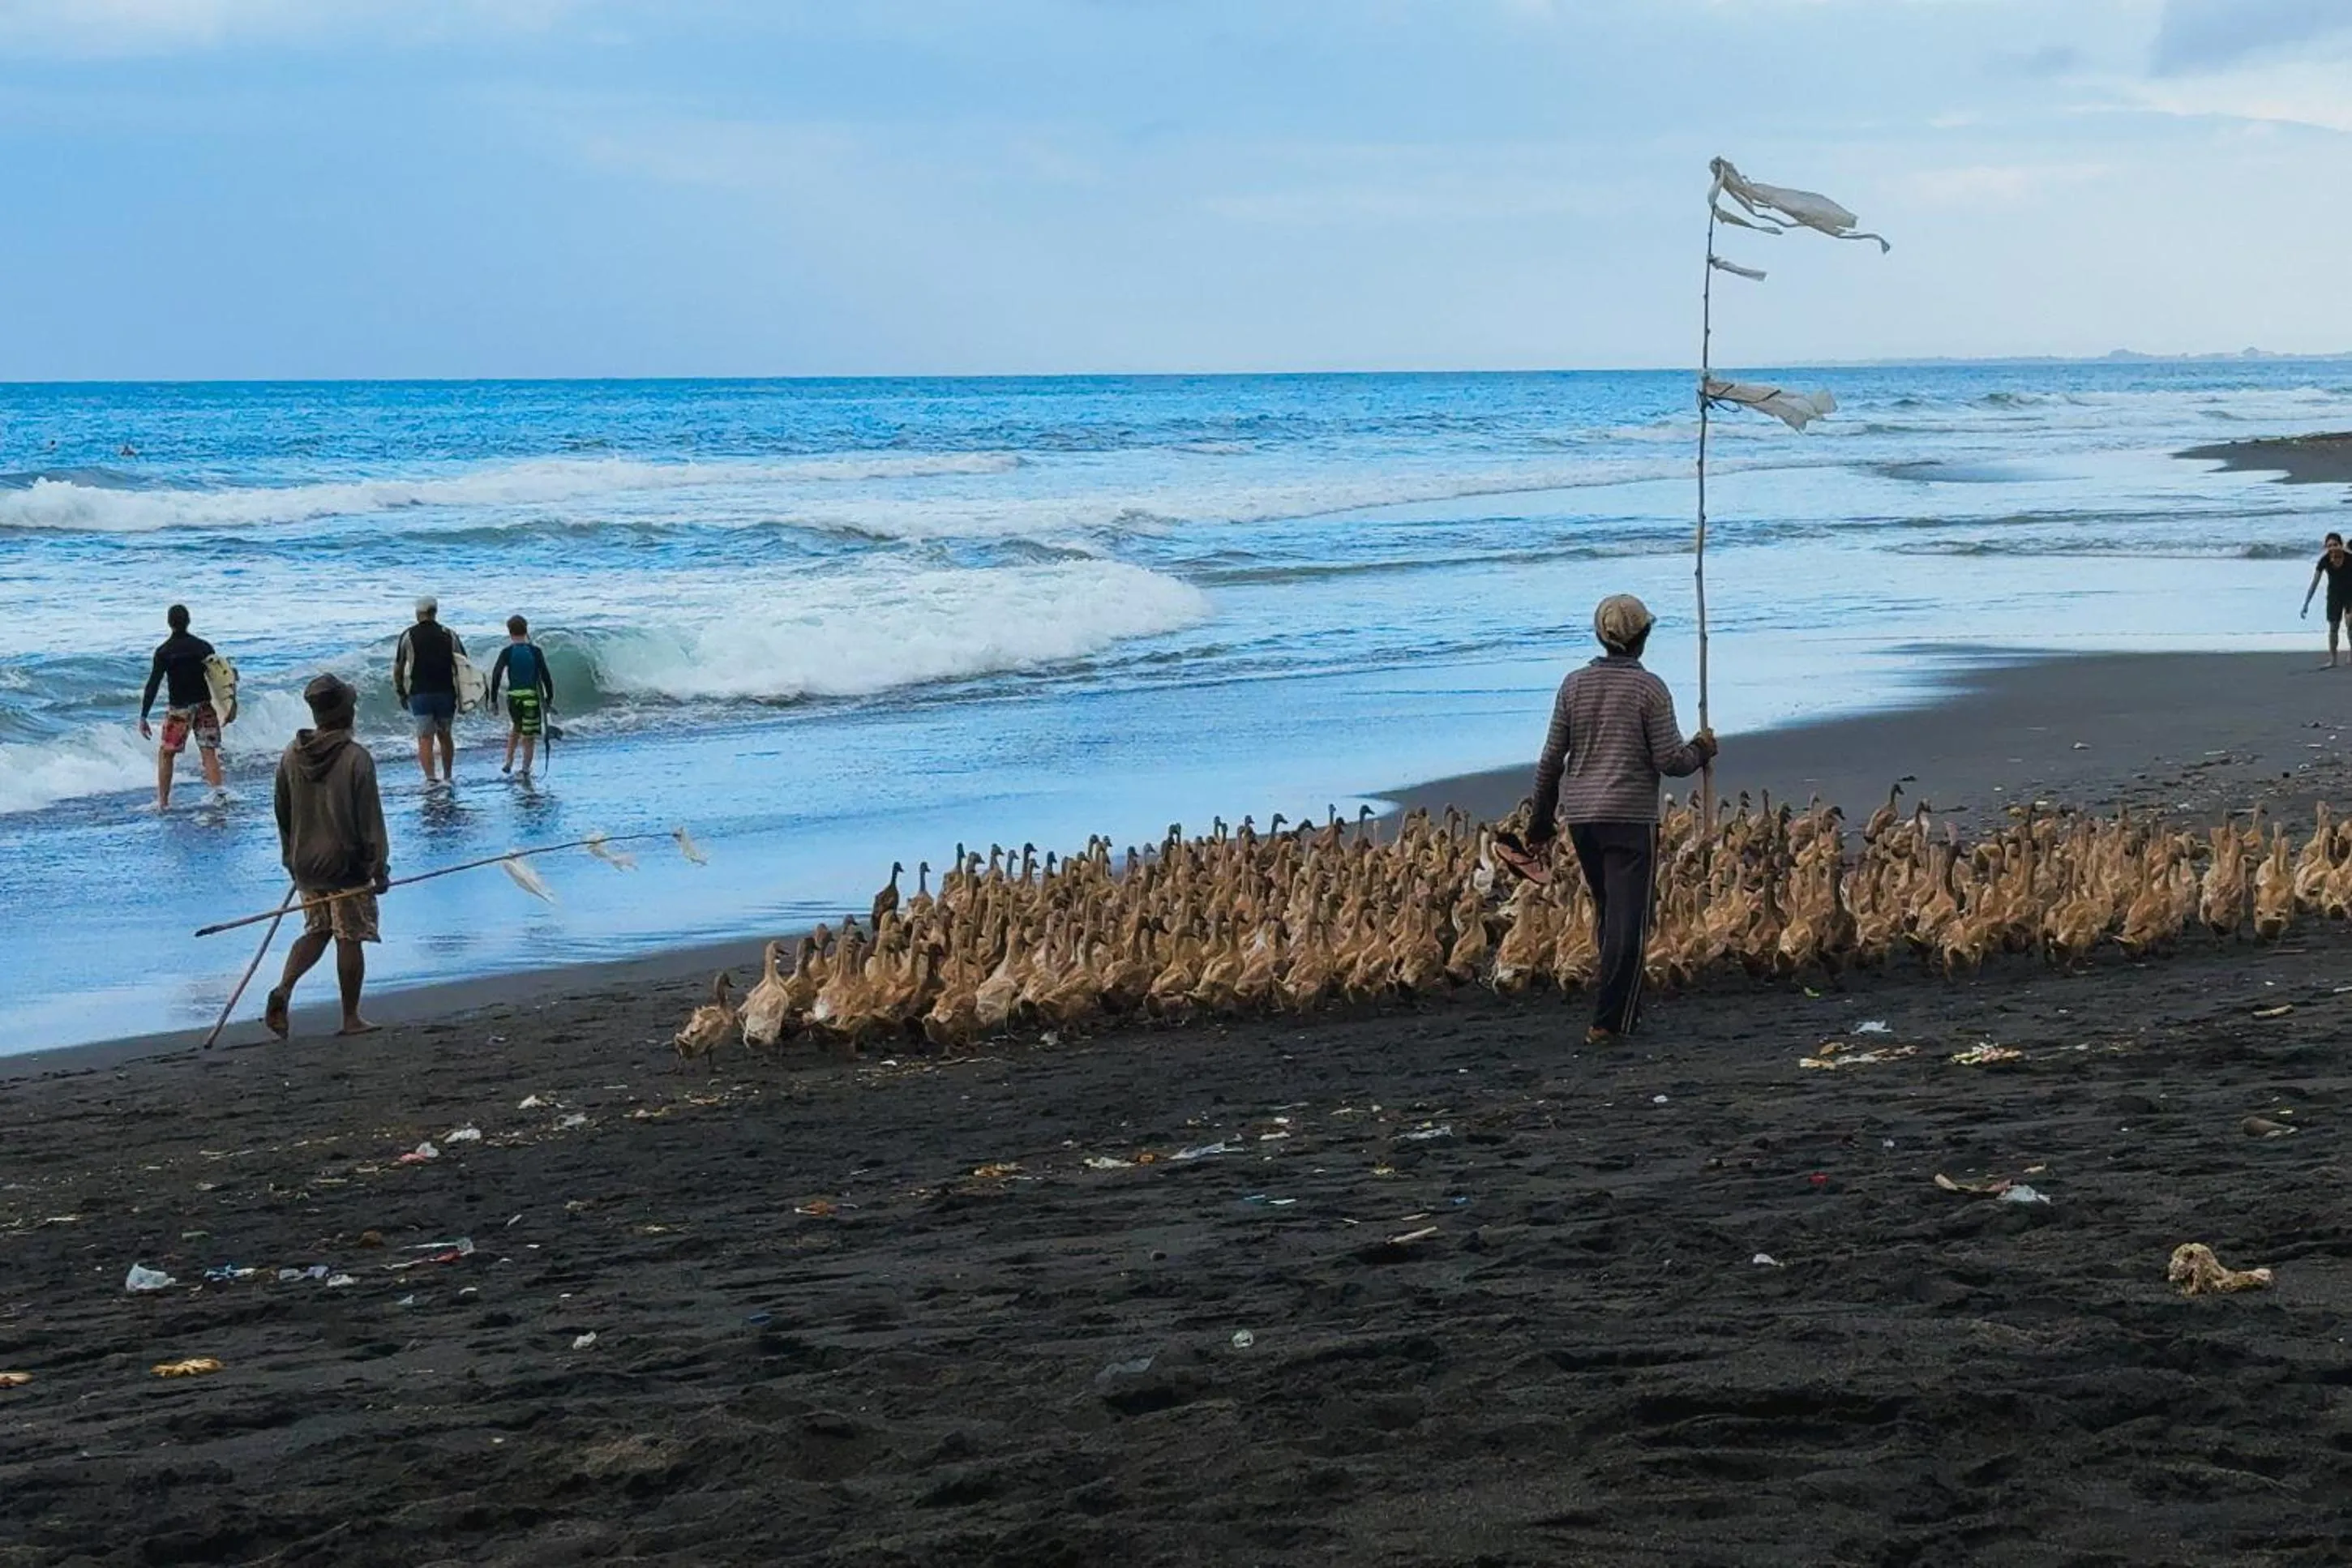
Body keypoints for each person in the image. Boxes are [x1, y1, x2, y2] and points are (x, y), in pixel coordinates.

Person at [1519, 594, 1717, 1046]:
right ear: (1643, 638)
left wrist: (1540, 821)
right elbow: (1670, 759)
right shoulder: (1650, 689)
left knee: (1611, 914)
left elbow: (1551, 759)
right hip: (1629, 817)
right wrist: (1703, 749)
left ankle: (1620, 1007)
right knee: (1632, 921)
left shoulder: (1573, 685)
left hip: (1583, 817)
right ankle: (1610, 1021)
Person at [266, 675, 389, 1039]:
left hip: (305, 863)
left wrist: (291, 857)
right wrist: (378, 867)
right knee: (348, 935)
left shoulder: (291, 754)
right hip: (345, 865)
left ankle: (284, 988)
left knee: (317, 929)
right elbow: (371, 821)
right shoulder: (356, 759)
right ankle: (351, 1016)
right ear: (345, 712)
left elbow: (281, 812)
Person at [137, 603, 223, 811]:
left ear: (169, 623)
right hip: (204, 706)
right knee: (209, 752)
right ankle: (219, 797)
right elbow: (219, 677)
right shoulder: (203, 647)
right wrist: (228, 706)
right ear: (188, 621)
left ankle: (163, 803)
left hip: (179, 710)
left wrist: (144, 715)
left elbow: (153, 684)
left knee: (167, 753)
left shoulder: (164, 652)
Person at [392, 595, 466, 783]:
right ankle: (448, 776)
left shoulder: (408, 635)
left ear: (419, 613)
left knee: (425, 738)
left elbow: (399, 666)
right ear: (435, 612)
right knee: (445, 735)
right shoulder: (449, 634)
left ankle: (431, 778)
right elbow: (464, 664)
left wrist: (401, 690)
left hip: (420, 692)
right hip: (445, 692)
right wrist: (465, 694)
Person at [487, 615, 556, 777]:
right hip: (531, 698)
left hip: (513, 698)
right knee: (529, 735)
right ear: (526, 631)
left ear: (510, 633)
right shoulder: (535, 651)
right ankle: (525, 768)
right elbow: (546, 676)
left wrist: (493, 699)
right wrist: (549, 698)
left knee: (516, 728)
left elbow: (496, 674)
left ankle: (508, 761)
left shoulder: (507, 652)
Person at [2302, 533, 2352, 669]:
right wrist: (2306, 603)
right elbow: (2315, 583)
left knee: (2350, 622)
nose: (2332, 548)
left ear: (2341, 545)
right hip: (2334, 596)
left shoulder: (2349, 557)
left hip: (2350, 595)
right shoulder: (2324, 561)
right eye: (2329, 546)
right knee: (2333, 627)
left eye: (2335, 545)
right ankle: (2333, 660)